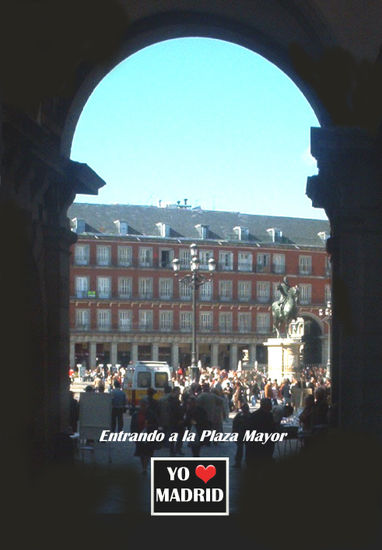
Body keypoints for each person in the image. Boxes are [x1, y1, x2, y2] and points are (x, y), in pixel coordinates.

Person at [245, 398, 276, 466]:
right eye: (270, 405)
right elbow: (272, 429)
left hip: (254, 447)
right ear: (267, 406)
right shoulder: (269, 415)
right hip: (262, 446)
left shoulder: (254, 415)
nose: (271, 406)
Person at [130, 399, 157, 474]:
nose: (143, 407)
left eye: (144, 406)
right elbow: (133, 426)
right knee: (141, 453)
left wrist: (149, 426)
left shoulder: (151, 414)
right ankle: (144, 466)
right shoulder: (136, 414)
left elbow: (156, 425)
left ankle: (145, 466)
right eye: (141, 406)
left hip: (149, 435)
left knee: (147, 453)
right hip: (139, 435)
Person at [232, 403, 250, 468]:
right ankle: (243, 462)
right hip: (243, 434)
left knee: (242, 449)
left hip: (243, 434)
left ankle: (241, 462)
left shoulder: (239, 416)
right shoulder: (249, 416)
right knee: (244, 449)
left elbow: (234, 425)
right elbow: (235, 425)